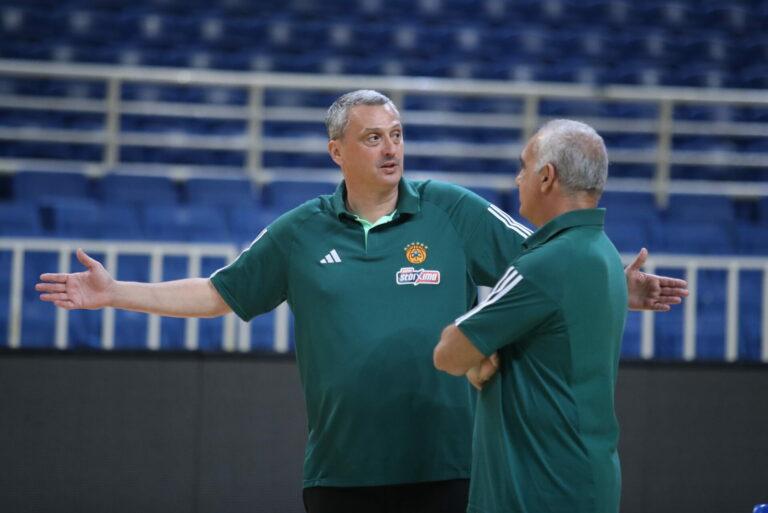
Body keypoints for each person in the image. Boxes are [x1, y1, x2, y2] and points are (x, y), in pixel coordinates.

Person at [36, 91, 686, 513]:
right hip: (342, 474)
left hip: (449, 468)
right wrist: (115, 291)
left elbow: (548, 264)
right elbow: (217, 293)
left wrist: (619, 285)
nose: (391, 147)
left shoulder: (452, 209)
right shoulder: (300, 230)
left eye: (397, 133)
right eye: (373, 137)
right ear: (337, 151)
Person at [434, 119, 631, 513]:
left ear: (546, 177)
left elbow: (449, 354)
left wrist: (472, 355)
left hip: (535, 489)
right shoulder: (603, 251)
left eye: (523, 167)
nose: (517, 178)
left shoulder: (544, 263)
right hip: (583, 481)